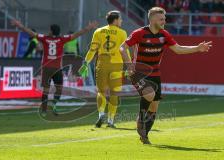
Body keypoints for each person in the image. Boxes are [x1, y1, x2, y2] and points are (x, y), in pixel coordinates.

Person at [120, 7, 212, 144]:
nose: (164, 21)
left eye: (164, 18)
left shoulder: (165, 34)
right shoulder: (139, 33)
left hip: (155, 73)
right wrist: (129, 65)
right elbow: (122, 47)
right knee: (149, 94)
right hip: (138, 72)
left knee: (154, 107)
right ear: (152, 19)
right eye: (161, 19)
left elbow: (178, 49)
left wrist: (197, 48)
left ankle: (144, 136)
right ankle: (140, 119)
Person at [11, 19, 98, 116]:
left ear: (51, 31)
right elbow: (76, 34)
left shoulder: (44, 38)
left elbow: (31, 33)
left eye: (49, 30)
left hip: (46, 68)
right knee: (59, 88)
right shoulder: (62, 39)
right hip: (57, 68)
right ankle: (54, 104)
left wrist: (20, 26)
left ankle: (44, 111)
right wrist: (88, 28)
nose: (48, 31)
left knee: (46, 90)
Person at [79, 11, 130, 128]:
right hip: (116, 64)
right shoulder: (122, 32)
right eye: (120, 19)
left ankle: (101, 114)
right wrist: (129, 66)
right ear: (116, 20)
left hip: (102, 64)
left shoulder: (98, 31)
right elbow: (125, 51)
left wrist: (86, 63)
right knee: (115, 93)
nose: (121, 21)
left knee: (101, 91)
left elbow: (92, 50)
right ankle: (111, 121)